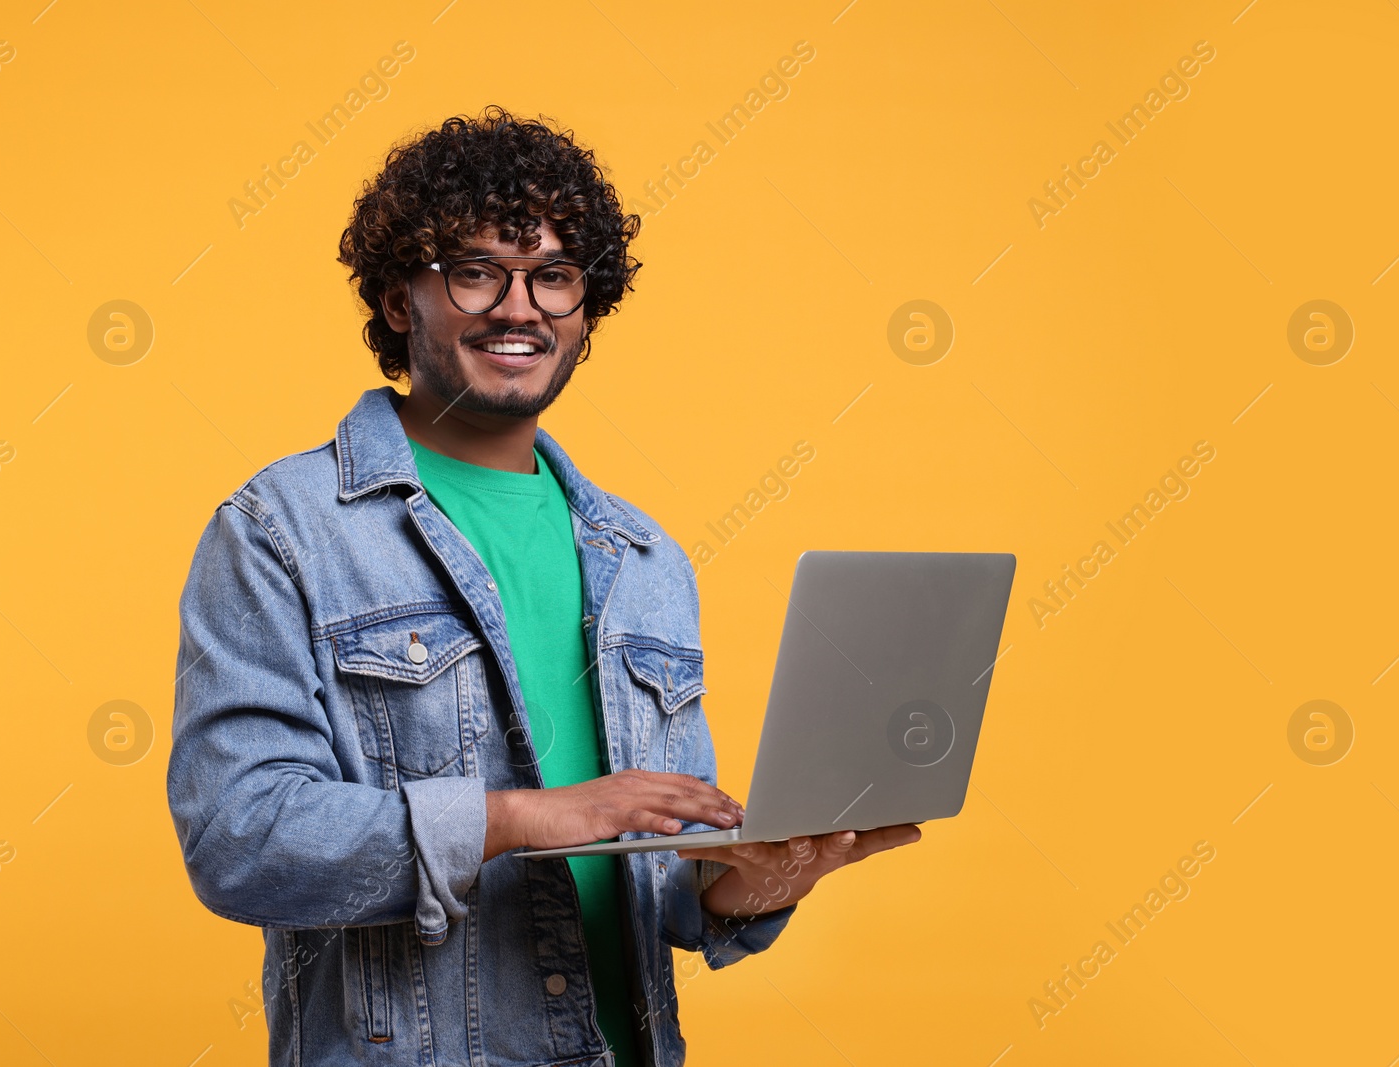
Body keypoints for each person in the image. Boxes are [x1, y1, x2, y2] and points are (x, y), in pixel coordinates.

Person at [166, 105, 920, 1067]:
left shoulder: (645, 559)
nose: (520, 308)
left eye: (554, 277)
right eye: (477, 270)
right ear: (402, 300)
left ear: (585, 308)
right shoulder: (283, 530)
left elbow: (673, 892)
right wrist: (521, 818)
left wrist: (765, 876)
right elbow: (242, 838)